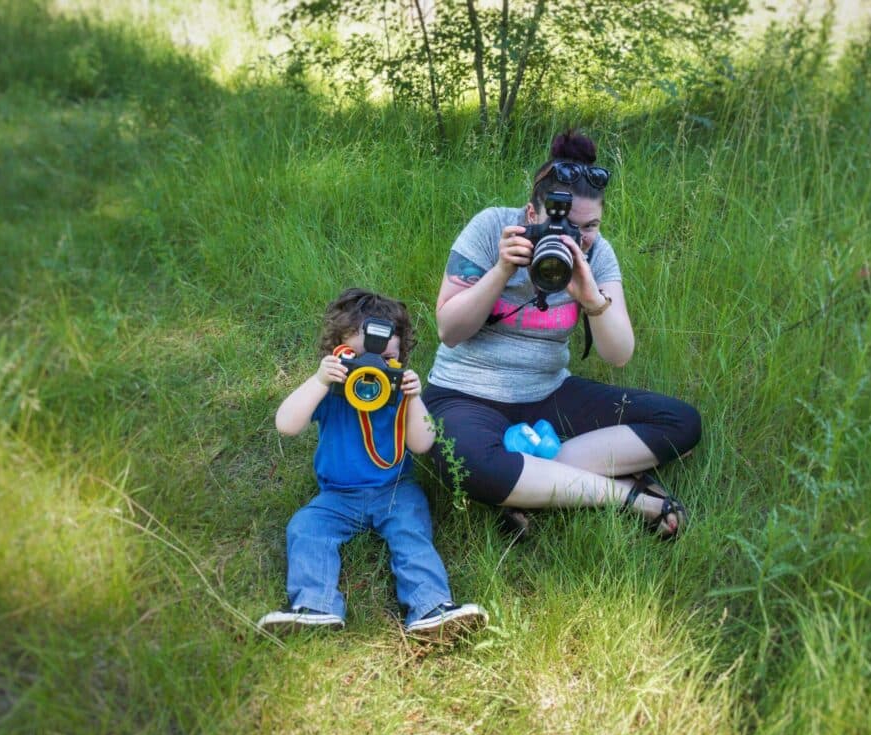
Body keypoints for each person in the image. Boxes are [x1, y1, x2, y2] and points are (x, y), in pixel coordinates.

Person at [424, 130, 702, 539]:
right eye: (567, 226)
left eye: (589, 227)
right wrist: (501, 271)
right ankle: (628, 497)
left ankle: (524, 483)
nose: (576, 240)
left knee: (681, 422)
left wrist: (592, 299)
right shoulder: (492, 228)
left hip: (548, 392)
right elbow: (450, 331)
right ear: (532, 214)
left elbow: (618, 354)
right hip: (466, 393)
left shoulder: (596, 252)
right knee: (464, 463)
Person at [257, 288, 487, 638]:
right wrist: (321, 380)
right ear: (338, 353)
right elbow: (286, 425)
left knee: (411, 532)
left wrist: (412, 398)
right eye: (360, 356)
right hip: (337, 495)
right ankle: (315, 605)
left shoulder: (396, 395)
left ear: (400, 358)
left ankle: (431, 606)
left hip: (395, 491)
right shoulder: (333, 393)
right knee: (305, 528)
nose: (372, 367)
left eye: (387, 357)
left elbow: (423, 444)